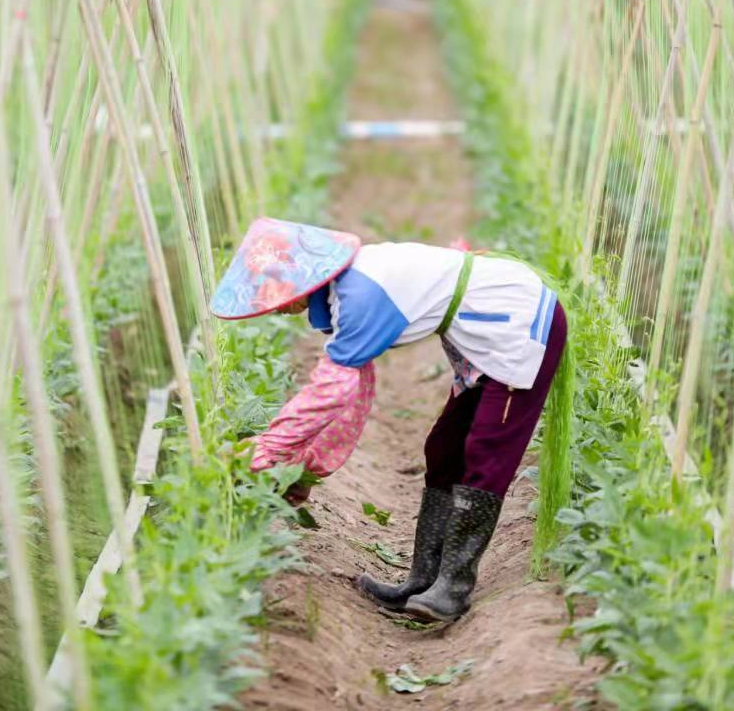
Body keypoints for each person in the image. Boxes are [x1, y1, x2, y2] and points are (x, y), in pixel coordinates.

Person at [210, 217, 570, 622]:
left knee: (487, 453)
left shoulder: (362, 294)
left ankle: (453, 587)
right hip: (482, 335)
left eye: (278, 293)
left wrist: (267, 452)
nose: (280, 305)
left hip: (518, 328)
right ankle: (422, 581)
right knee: (444, 448)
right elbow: (352, 392)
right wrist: (304, 468)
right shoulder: (346, 290)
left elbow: (332, 393)